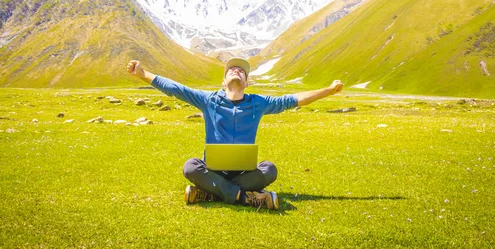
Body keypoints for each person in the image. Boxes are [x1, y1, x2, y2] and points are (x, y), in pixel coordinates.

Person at [127, 57, 343, 210]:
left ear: (247, 83)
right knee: (190, 166)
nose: (236, 71)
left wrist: (329, 90)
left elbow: (293, 100)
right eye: (231, 69)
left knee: (270, 169)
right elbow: (176, 89)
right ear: (223, 82)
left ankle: (211, 194)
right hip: (213, 170)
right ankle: (245, 198)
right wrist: (143, 74)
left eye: (241, 71)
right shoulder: (208, 99)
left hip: (244, 175)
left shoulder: (258, 103)